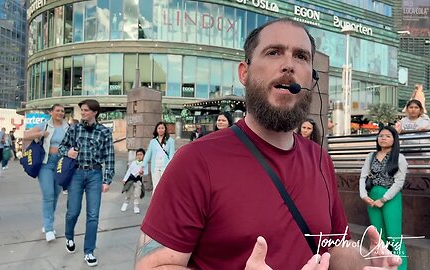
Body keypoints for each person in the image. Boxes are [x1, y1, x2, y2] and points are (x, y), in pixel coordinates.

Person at [135, 18, 402, 270]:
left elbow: (332, 248)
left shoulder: (319, 159)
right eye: (274, 52)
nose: (289, 65)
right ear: (244, 72)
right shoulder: (195, 160)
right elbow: (151, 265)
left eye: (301, 56)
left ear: (311, 78)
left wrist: (367, 259)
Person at [58, 99, 114, 267]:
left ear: (95, 112)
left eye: (86, 110)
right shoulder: (74, 129)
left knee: (93, 215)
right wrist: (68, 152)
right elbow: (61, 147)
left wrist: (107, 179)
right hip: (76, 173)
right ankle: (69, 236)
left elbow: (109, 156)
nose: (83, 113)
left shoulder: (104, 132)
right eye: (82, 110)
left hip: (95, 174)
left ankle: (89, 251)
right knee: (73, 212)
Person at [359, 126, 408, 269]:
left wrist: (383, 199)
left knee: (394, 236)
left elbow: (399, 182)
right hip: (372, 198)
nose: (383, 138)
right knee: (379, 236)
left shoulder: (399, 158)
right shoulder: (371, 156)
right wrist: (363, 195)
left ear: (394, 139)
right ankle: (382, 266)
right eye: (381, 136)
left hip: (390, 198)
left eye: (387, 136)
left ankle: (401, 267)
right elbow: (363, 177)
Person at [23, 104, 69, 242]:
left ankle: (47, 222)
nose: (60, 113)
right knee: (48, 194)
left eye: (62, 111)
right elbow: (26, 135)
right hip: (46, 164)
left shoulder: (69, 127)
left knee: (55, 194)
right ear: (51, 112)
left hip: (62, 164)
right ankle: (49, 228)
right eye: (57, 111)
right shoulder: (45, 125)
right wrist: (41, 134)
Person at [141, 122, 175, 192]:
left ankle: (164, 202)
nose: (161, 130)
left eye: (162, 128)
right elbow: (148, 154)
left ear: (165, 129)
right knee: (156, 187)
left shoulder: (170, 141)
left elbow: (172, 155)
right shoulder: (153, 141)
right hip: (155, 166)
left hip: (165, 166)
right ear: (156, 130)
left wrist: (170, 166)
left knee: (165, 187)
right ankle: (155, 203)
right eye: (159, 128)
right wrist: (142, 166)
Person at [121, 148, 148, 214]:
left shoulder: (145, 164)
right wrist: (125, 179)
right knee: (128, 193)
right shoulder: (133, 163)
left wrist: (142, 173)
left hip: (138, 181)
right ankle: (125, 203)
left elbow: (146, 172)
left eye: (141, 154)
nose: (139, 156)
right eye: (137, 155)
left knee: (137, 194)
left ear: (143, 155)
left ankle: (136, 206)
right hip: (131, 180)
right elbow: (129, 171)